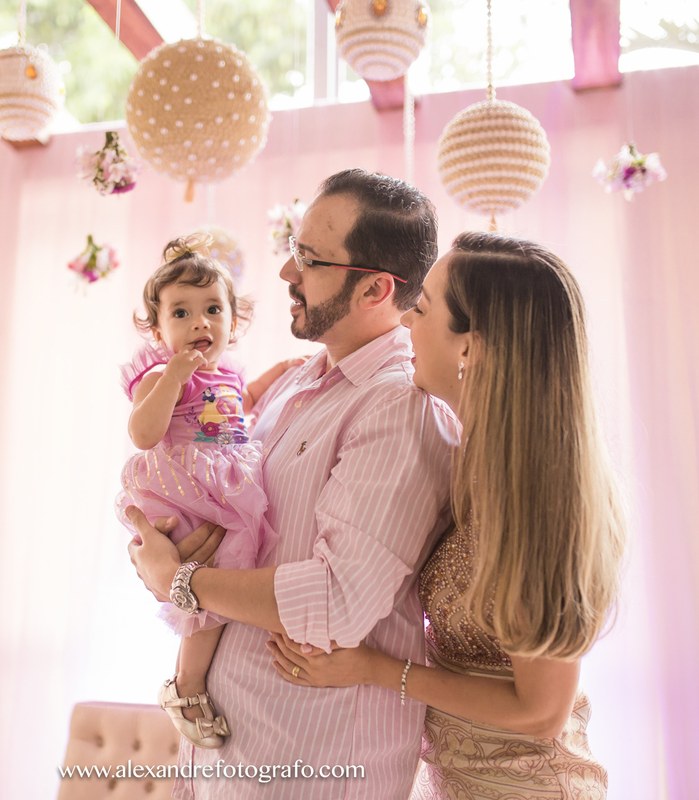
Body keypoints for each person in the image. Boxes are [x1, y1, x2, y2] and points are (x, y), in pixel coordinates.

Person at [127, 169, 456, 800]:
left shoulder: (398, 408)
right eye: (293, 251)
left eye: (309, 258)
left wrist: (181, 581)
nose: (286, 272)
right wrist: (162, 538)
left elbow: (336, 602)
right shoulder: (291, 383)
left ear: (375, 288)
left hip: (310, 762)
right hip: (228, 755)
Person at [266, 232, 627, 799]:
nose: (405, 322)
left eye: (423, 309)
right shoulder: (472, 457)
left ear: (470, 349)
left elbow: (542, 712)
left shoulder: (535, 498)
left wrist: (374, 669)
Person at [118, 233, 303, 749]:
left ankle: (189, 680)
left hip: (225, 484)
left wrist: (278, 374)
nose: (199, 322)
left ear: (233, 322)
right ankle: (188, 683)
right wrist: (172, 377)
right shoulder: (160, 374)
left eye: (212, 310)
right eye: (181, 313)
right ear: (158, 330)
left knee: (225, 575)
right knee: (208, 582)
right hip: (186, 487)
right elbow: (143, 433)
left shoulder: (227, 376)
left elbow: (242, 402)